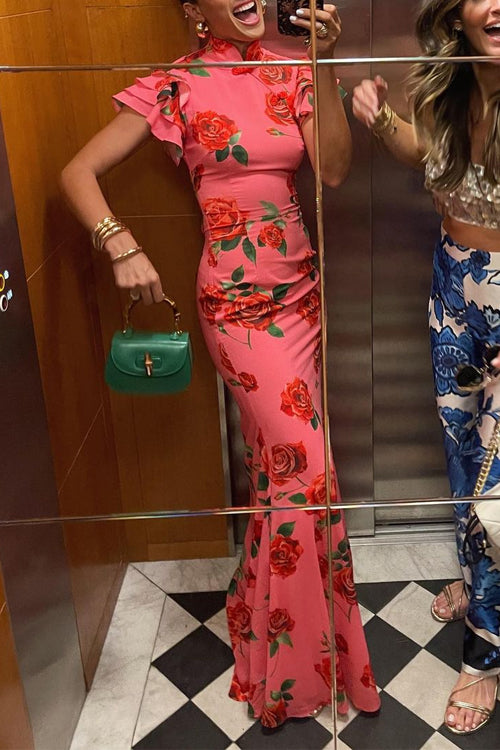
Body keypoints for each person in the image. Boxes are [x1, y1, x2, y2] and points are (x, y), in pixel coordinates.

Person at [61, 0, 380, 728]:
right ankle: (296, 671)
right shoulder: (176, 84)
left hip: (300, 298)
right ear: (192, 8)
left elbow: (332, 171)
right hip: (234, 307)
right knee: (304, 467)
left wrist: (324, 62)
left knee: (280, 470)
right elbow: (77, 171)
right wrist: (119, 243)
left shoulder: (292, 69)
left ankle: (265, 618)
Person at [353, 0, 500, 736]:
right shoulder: (453, 87)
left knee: (498, 488)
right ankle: (480, 584)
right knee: (464, 457)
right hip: (452, 286)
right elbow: (431, 159)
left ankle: (486, 654)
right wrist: (380, 118)